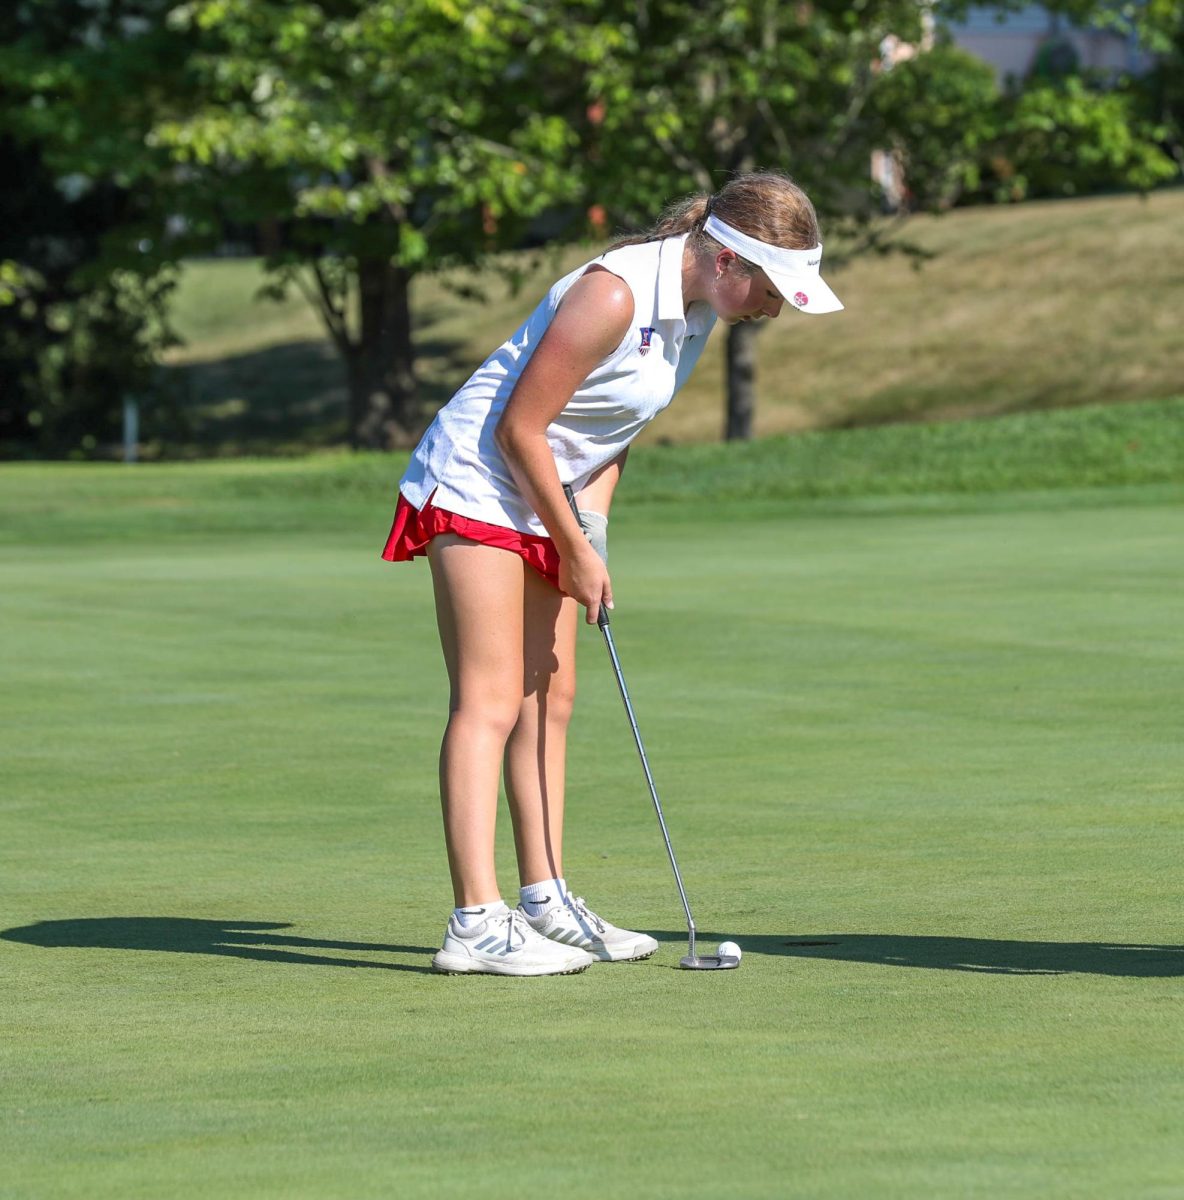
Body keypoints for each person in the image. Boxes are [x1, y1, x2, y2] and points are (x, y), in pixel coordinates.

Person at [382, 171, 844, 976]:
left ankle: (546, 897)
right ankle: (474, 922)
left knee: (550, 698)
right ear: (730, 261)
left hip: (544, 492)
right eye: (774, 289)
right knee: (490, 701)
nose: (777, 309)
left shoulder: (697, 313)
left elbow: (611, 429)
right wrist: (572, 545)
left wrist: (588, 533)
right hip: (478, 479)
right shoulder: (616, 295)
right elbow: (520, 427)